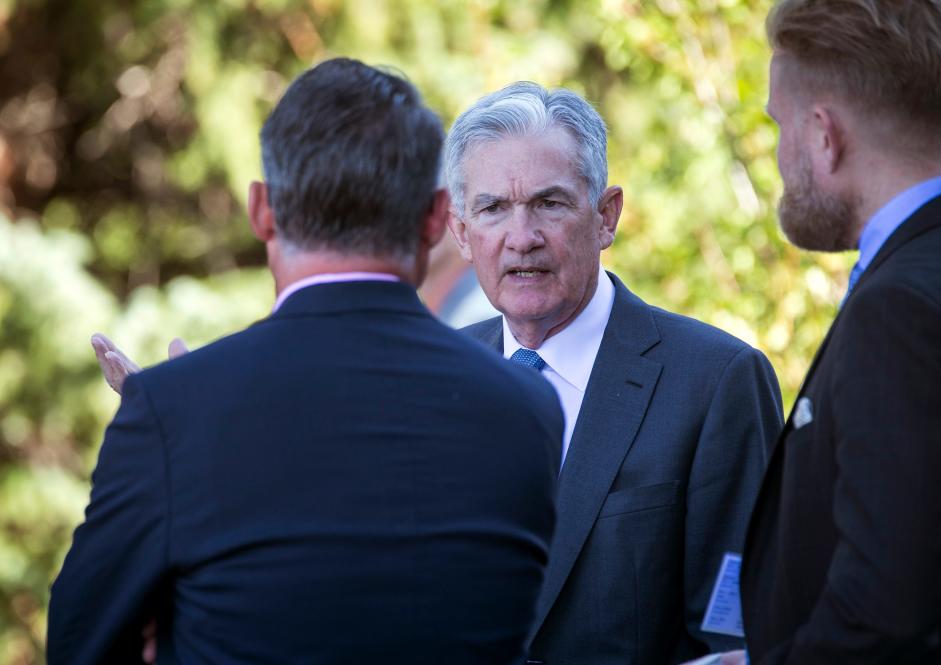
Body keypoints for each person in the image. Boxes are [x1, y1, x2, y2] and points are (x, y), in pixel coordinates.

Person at [48, 58, 563, 665]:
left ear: (262, 210)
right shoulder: (527, 407)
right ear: (434, 219)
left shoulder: (171, 410)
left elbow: (80, 647)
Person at [444, 82, 784, 665]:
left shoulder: (715, 383)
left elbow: (741, 642)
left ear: (606, 217)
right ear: (461, 233)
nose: (521, 238)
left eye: (550, 204)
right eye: (493, 208)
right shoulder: (437, 381)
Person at [735, 1, 941, 663]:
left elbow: (884, 613)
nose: (780, 152)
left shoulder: (899, 311)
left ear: (823, 135)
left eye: (778, 124)